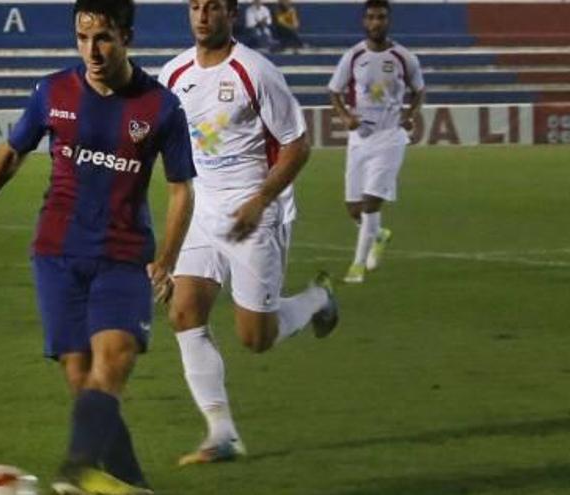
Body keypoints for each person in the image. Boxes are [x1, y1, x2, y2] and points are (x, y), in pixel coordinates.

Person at [0, 0, 195, 493]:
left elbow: (182, 187)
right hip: (57, 254)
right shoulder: (53, 90)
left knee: (111, 364)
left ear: (127, 38)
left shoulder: (161, 107)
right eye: (82, 37)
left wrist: (166, 261)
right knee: (83, 385)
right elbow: (14, 151)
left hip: (124, 258)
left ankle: (76, 467)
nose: (92, 50)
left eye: (103, 38)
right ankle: (131, 483)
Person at [158, 0, 338, 465]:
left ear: (231, 14)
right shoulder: (174, 75)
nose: (202, 15)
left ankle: (317, 299)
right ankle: (222, 433)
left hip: (256, 215)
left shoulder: (255, 72)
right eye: (195, 6)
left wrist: (259, 200)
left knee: (256, 338)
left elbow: (298, 146)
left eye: (212, 7)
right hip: (203, 211)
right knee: (184, 312)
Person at [327, 0, 425, 283]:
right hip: (359, 139)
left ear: (388, 21)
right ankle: (379, 234)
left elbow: (419, 90)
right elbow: (334, 91)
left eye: (381, 17)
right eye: (371, 17)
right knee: (354, 209)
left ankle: (357, 266)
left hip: (390, 137)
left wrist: (409, 114)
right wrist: (345, 117)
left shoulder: (404, 58)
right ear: (364, 21)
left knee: (371, 204)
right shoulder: (354, 56)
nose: (376, 22)